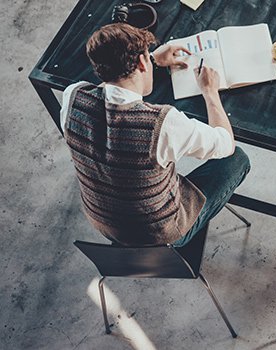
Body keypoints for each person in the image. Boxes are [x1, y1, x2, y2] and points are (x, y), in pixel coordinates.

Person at [60, 23, 250, 246]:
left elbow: (107, 87)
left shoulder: (72, 95)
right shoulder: (162, 124)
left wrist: (150, 57)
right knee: (237, 159)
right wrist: (210, 92)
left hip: (102, 222)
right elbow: (225, 143)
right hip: (161, 233)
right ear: (142, 63)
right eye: (146, 60)